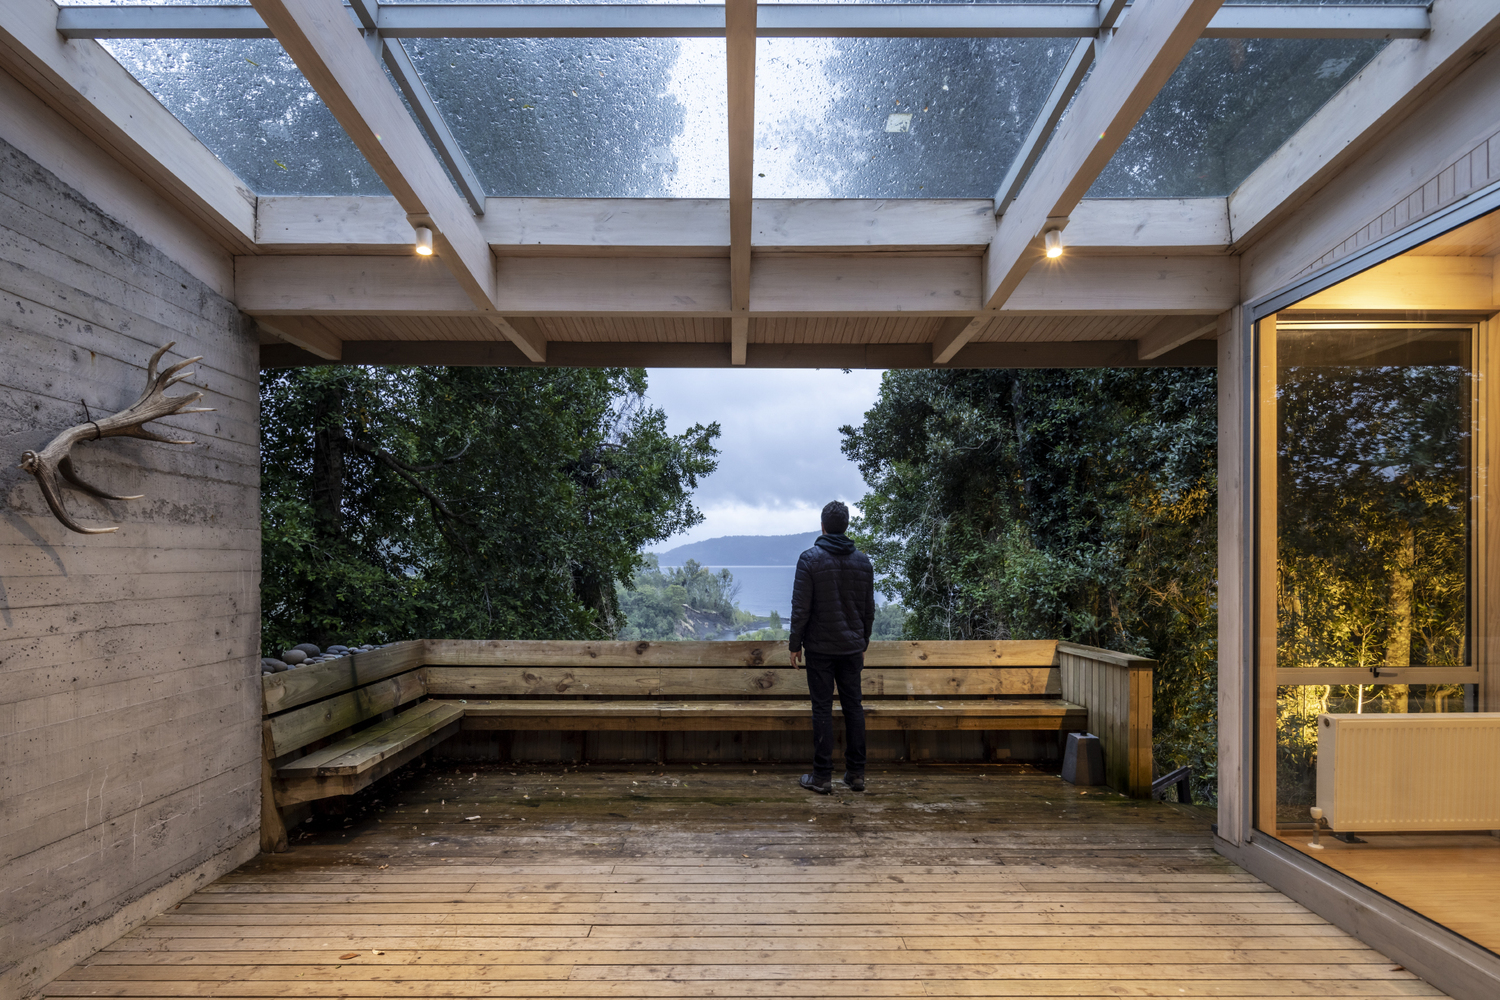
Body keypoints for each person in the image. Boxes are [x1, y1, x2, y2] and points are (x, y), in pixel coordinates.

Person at [788, 500, 875, 795]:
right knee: (854, 708)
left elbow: (801, 608)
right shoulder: (862, 561)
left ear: (823, 526)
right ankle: (857, 774)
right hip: (851, 649)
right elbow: (868, 609)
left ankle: (822, 777)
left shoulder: (809, 559)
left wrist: (795, 645)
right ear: (846, 526)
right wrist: (863, 641)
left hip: (820, 649)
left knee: (822, 709)